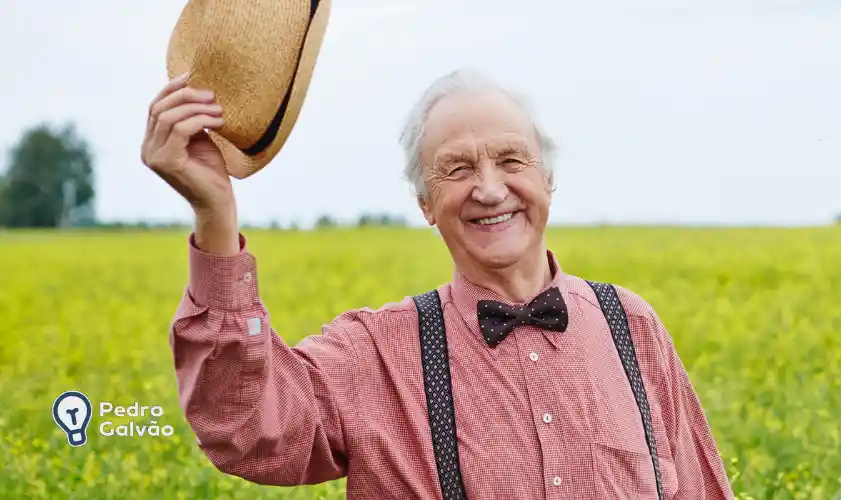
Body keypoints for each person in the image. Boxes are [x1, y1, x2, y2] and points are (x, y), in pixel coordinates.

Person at [141, 68, 736, 499]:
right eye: (457, 169)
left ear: (547, 179)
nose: (489, 189)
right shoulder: (376, 354)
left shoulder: (631, 327)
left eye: (511, 160)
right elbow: (248, 430)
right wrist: (216, 218)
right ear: (427, 203)